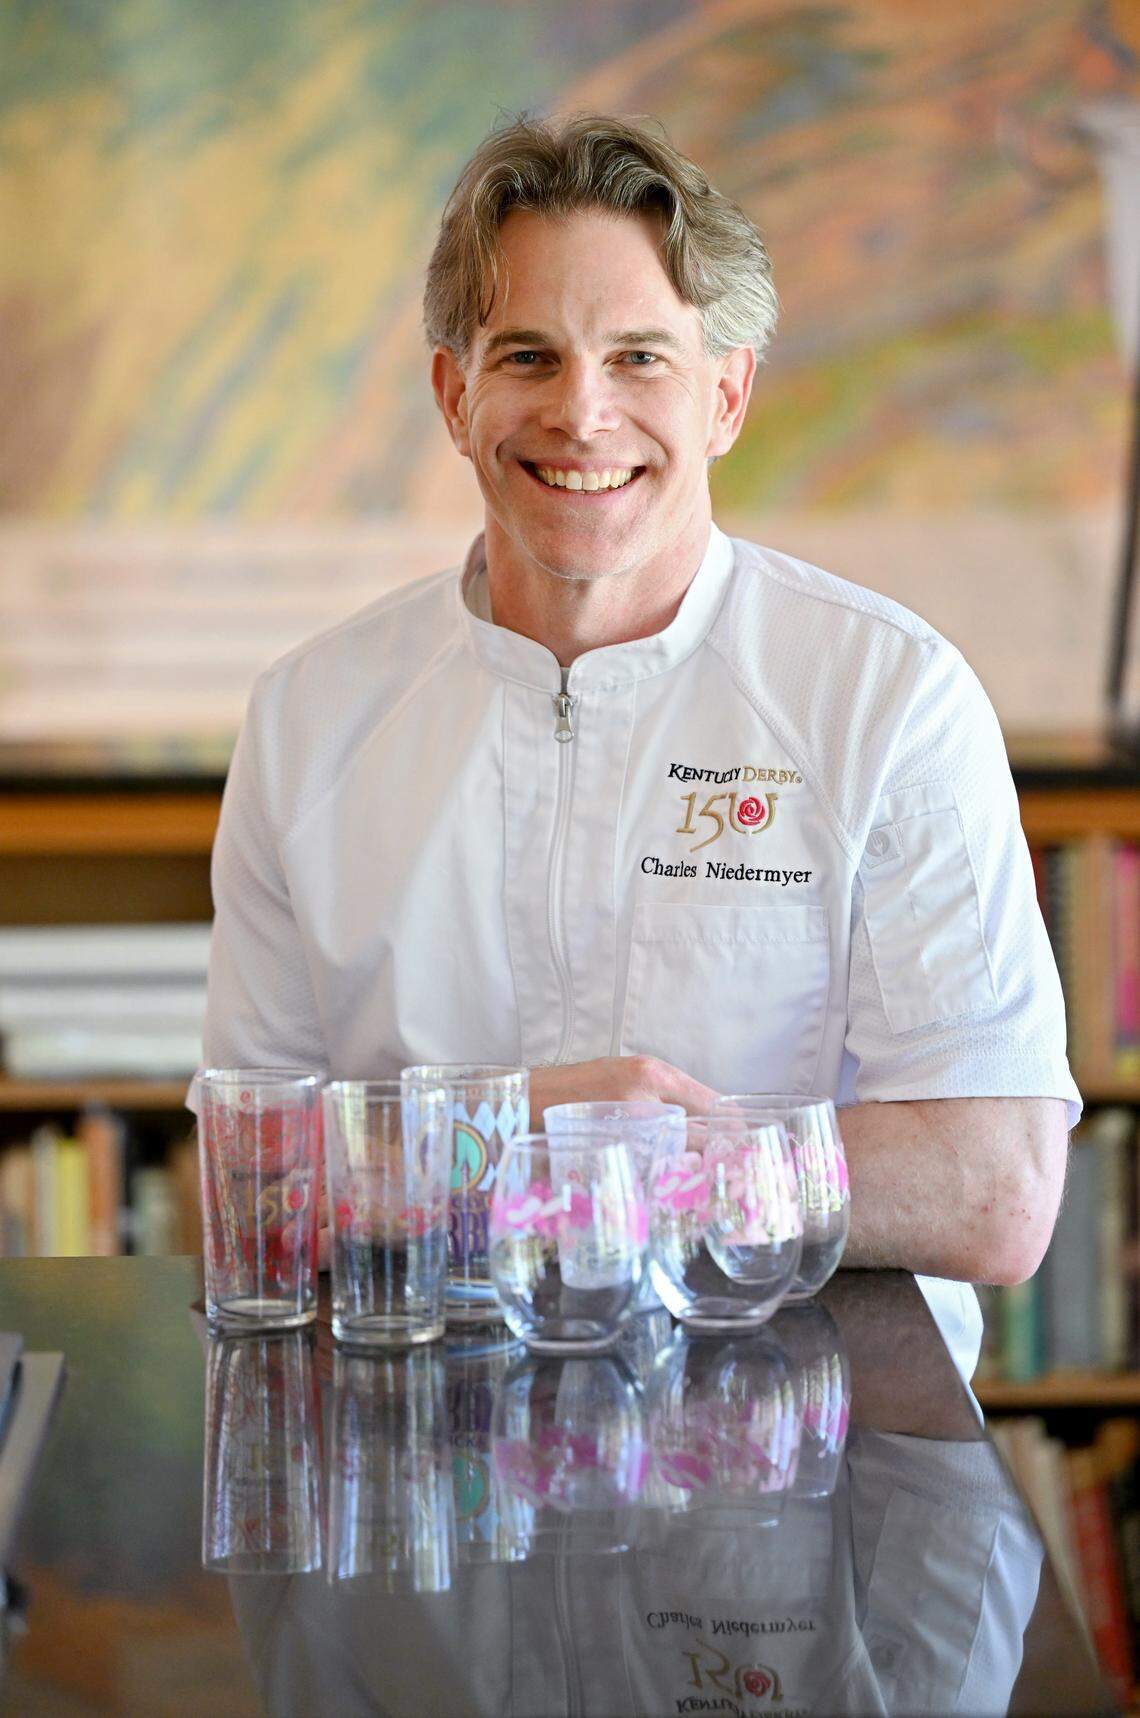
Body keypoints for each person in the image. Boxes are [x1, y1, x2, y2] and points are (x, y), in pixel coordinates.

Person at [200, 113, 1078, 1376]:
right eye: (528, 355)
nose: (583, 413)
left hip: (808, 1440)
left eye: (640, 357)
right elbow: (257, 1196)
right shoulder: (310, 718)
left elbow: (994, 1188)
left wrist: (609, 1165)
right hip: (429, 1463)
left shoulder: (888, 698)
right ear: (456, 397)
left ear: (727, 393)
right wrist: (519, 1127)